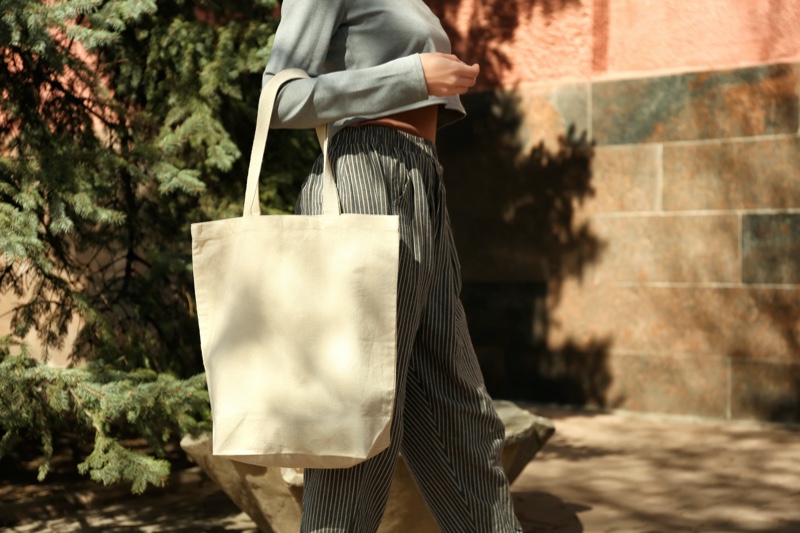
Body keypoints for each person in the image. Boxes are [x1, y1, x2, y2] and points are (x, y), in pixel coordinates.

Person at [263, 0, 523, 531]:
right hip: (363, 176)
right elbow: (281, 98)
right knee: (357, 423)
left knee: (461, 420)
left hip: (420, 178)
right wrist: (414, 75)